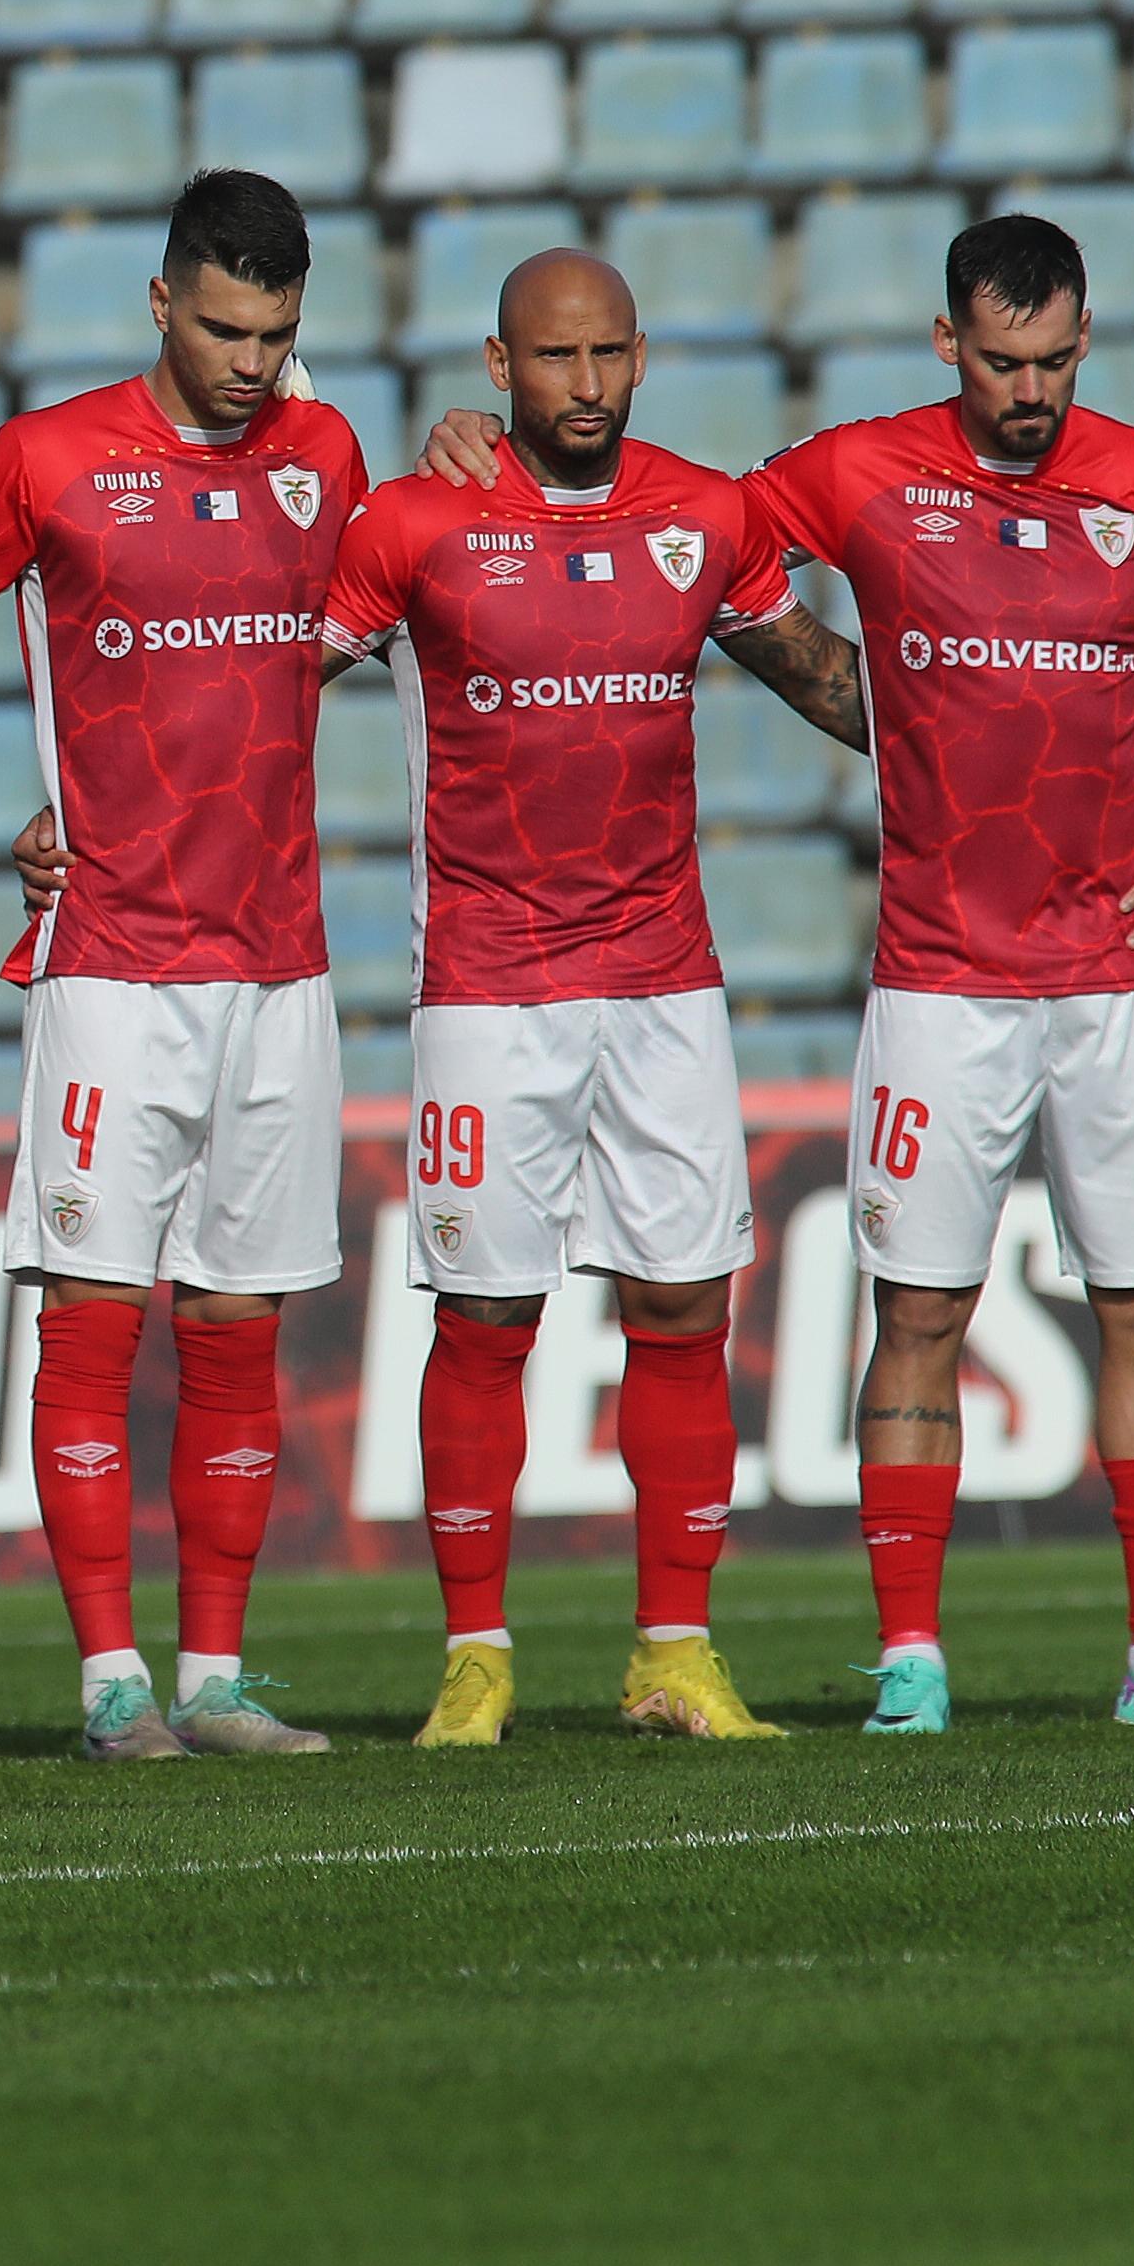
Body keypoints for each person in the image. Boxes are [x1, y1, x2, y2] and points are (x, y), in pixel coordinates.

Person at [425, 214, 1134, 1732]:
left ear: (1083, 342)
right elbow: (681, 527)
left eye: (1049, 361)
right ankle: (909, 1654)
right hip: (939, 978)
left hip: (1125, 974)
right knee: (917, 1311)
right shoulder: (855, 470)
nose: (1025, 389)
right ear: (944, 343)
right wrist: (497, 460)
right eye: (996, 359)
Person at [0, 172, 366, 1761]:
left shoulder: (322, 460)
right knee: (92, 1318)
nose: (248, 362)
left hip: (280, 965)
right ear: (157, 298)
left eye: (274, 335)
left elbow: (365, 619)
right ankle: (109, 1683)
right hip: (113, 961)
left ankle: (215, 1675)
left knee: (239, 1327)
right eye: (220, 327)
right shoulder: (50, 458)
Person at [311, 251, 872, 1749]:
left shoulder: (700, 514)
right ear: (499, 367)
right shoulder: (416, 523)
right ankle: (476, 1655)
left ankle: (673, 1651)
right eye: (555, 359)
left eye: (609, 354)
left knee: (685, 1303)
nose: (586, 385)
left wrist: (1004, 711)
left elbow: (833, 685)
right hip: (487, 987)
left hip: (662, 980)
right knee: (486, 1313)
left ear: (641, 353)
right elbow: (253, 692)